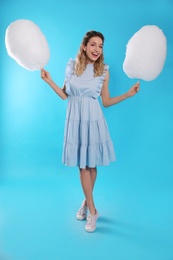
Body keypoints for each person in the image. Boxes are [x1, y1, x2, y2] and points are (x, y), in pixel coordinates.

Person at [41, 30, 140, 233]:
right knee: (83, 167)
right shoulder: (71, 67)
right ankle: (93, 209)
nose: (97, 49)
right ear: (84, 46)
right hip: (76, 120)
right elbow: (64, 95)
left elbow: (106, 101)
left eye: (101, 46)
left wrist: (129, 95)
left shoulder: (103, 70)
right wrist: (48, 80)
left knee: (91, 165)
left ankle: (88, 205)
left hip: (93, 120)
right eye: (93, 44)